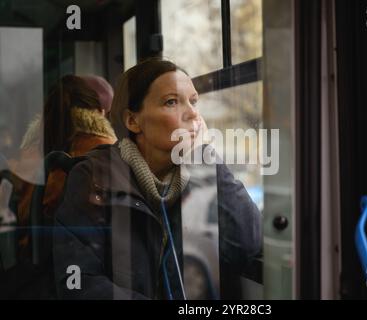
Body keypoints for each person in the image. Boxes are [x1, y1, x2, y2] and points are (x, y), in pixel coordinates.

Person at [52, 57, 262, 300]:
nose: (193, 113)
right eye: (171, 102)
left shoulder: (200, 173)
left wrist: (205, 158)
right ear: (133, 120)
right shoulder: (94, 177)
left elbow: (248, 243)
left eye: (193, 101)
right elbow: (79, 281)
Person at [4, 75, 117, 299]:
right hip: (85, 274)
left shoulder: (25, 157)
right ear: (100, 113)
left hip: (26, 275)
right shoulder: (107, 154)